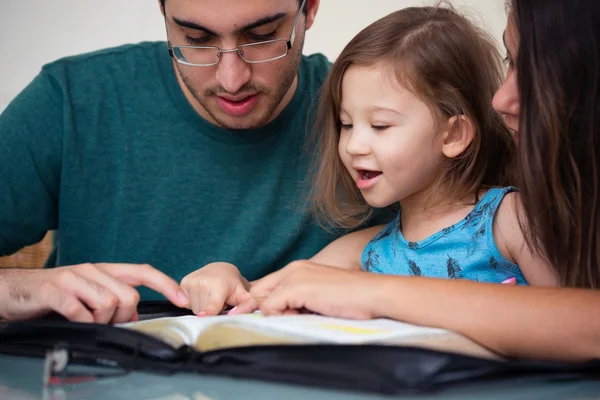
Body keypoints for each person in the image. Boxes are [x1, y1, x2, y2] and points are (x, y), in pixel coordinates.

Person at [229, 0, 600, 361]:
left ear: (454, 135)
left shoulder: (509, 220)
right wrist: (225, 281)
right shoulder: (365, 250)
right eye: (345, 125)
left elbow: (573, 326)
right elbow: (266, 296)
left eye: (380, 126)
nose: (355, 145)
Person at [0, 0, 352, 323]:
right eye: (196, 39)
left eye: (261, 37)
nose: (232, 80)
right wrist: (19, 289)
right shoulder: (73, 99)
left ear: (309, 9)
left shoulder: (365, 112)